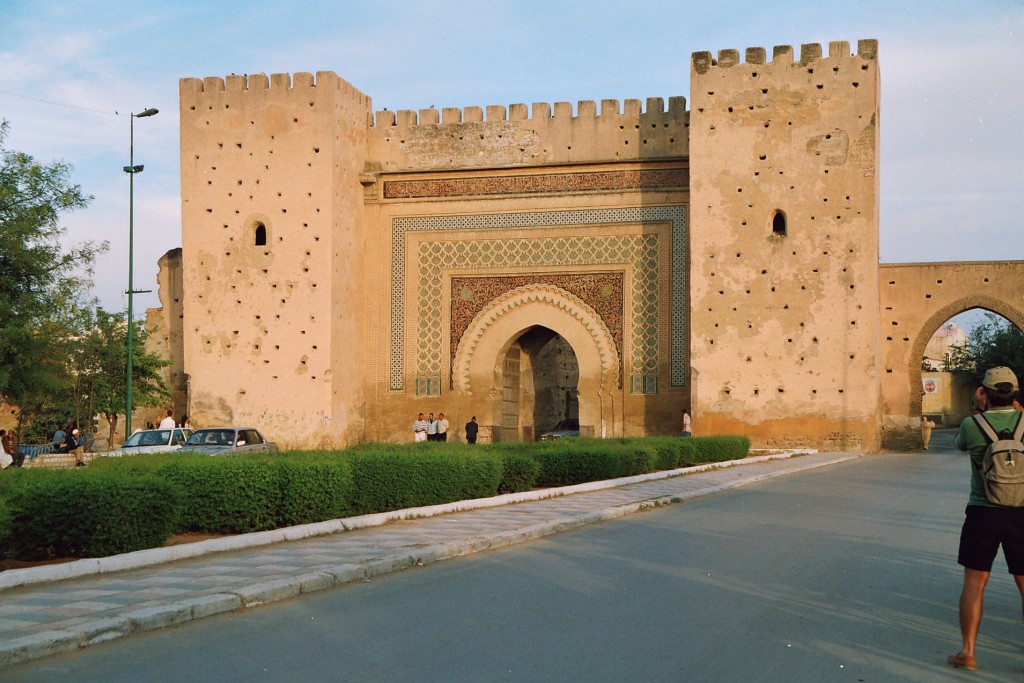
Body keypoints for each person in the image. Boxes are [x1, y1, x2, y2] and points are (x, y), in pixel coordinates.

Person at [947, 366, 1024, 671]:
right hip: (1021, 511)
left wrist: (979, 410)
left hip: (983, 511)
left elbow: (959, 445)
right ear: (1014, 393)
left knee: (975, 582)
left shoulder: (972, 424)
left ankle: (968, 652)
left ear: (985, 393)